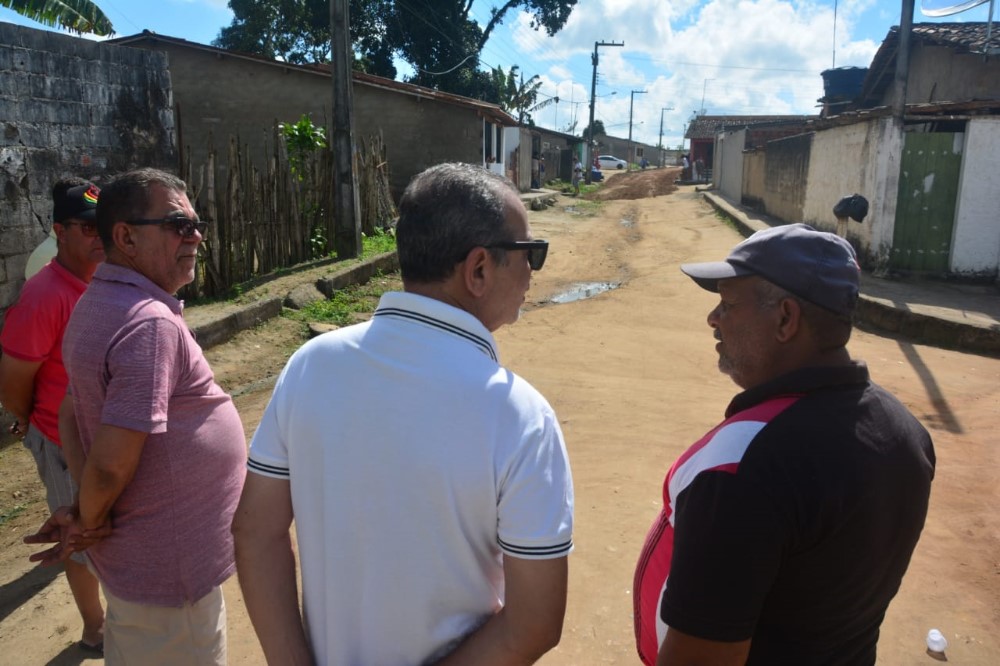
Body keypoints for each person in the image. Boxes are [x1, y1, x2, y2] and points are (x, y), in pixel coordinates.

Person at [232, 162, 574, 665]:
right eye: (530, 253)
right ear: (479, 269)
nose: (531, 271)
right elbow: (534, 622)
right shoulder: (520, 416)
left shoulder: (312, 365)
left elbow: (255, 532)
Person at [633, 223, 935, 665]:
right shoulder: (906, 432)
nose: (713, 318)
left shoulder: (743, 469)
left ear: (785, 319)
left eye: (728, 304)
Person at [25, 168, 247, 665]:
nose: (196, 236)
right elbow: (108, 465)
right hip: (168, 573)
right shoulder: (147, 322)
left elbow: (70, 412)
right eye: (178, 225)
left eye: (196, 224)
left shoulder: (98, 302)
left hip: (145, 563)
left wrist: (85, 513)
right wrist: (88, 521)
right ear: (126, 237)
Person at [0, 178, 106, 654]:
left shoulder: (103, 278)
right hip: (63, 440)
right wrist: (30, 421)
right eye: (87, 227)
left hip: (102, 435)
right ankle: (94, 628)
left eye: (103, 225)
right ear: (60, 232)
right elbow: (13, 379)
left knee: (107, 528)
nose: (98, 236)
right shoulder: (45, 293)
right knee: (79, 538)